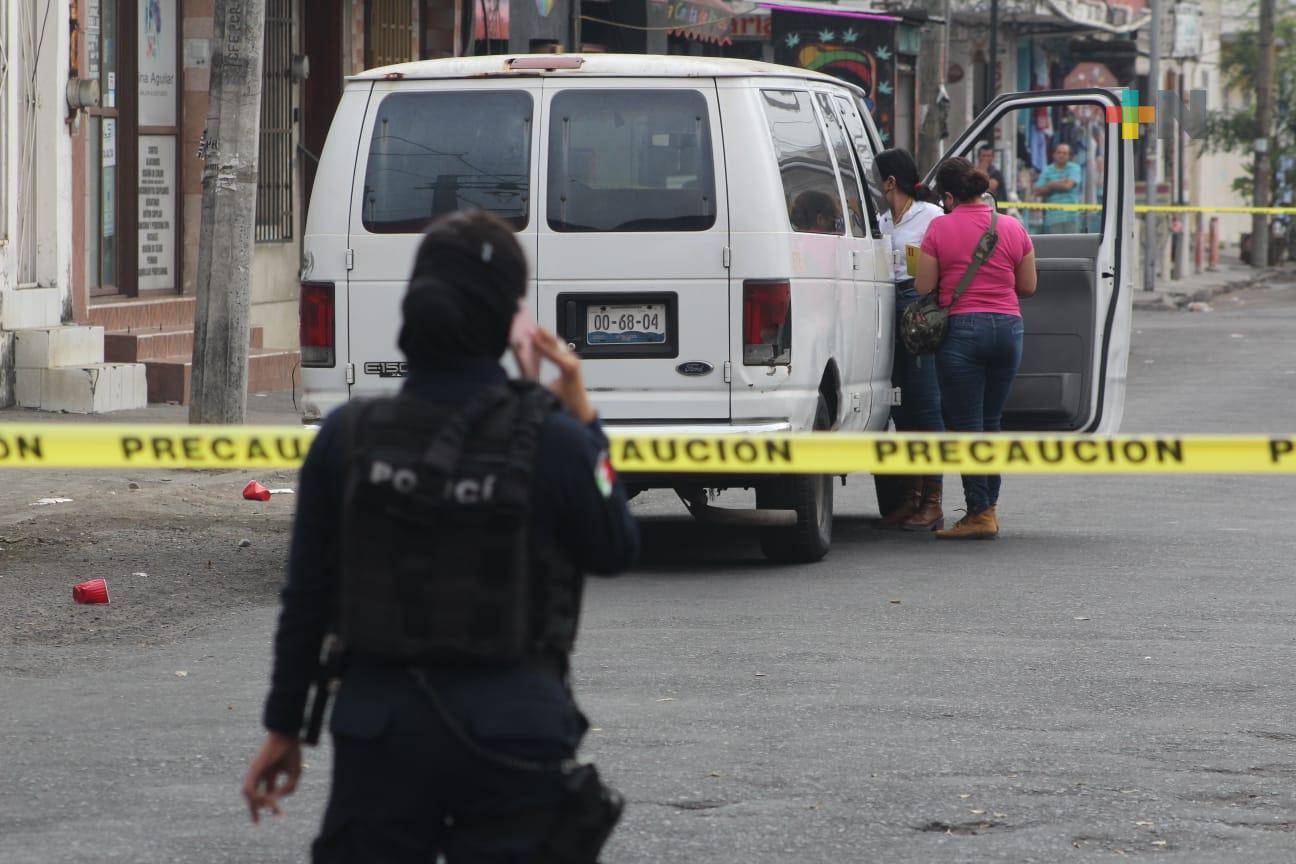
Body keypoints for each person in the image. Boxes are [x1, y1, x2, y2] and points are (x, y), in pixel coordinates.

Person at [242, 210, 640, 862]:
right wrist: (582, 414)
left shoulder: (347, 437)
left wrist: (284, 727)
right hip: (516, 728)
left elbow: (306, 600)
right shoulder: (555, 439)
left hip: (380, 730)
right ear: (510, 320)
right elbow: (616, 547)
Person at [915, 158, 1037, 540]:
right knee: (991, 423)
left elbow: (923, 287)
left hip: (963, 332)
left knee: (967, 426)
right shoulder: (1013, 226)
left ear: (949, 196)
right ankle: (988, 508)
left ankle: (980, 512)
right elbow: (1028, 285)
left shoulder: (939, 226)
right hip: (1008, 329)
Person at [873, 149, 946, 531]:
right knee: (899, 405)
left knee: (926, 404)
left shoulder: (930, 216)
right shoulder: (883, 221)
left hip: (918, 310)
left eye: (877, 178)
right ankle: (911, 498)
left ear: (890, 182)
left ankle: (934, 499)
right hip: (887, 309)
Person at [1033, 143, 1082, 234]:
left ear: (1069, 156)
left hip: (1071, 215)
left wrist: (1050, 185)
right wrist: (1057, 184)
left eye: (1064, 153)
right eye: (1059, 152)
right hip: (1053, 216)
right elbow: (1037, 191)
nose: (1061, 155)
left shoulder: (1075, 168)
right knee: (1056, 246)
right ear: (1054, 154)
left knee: (1072, 245)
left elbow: (1068, 186)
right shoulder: (1047, 170)